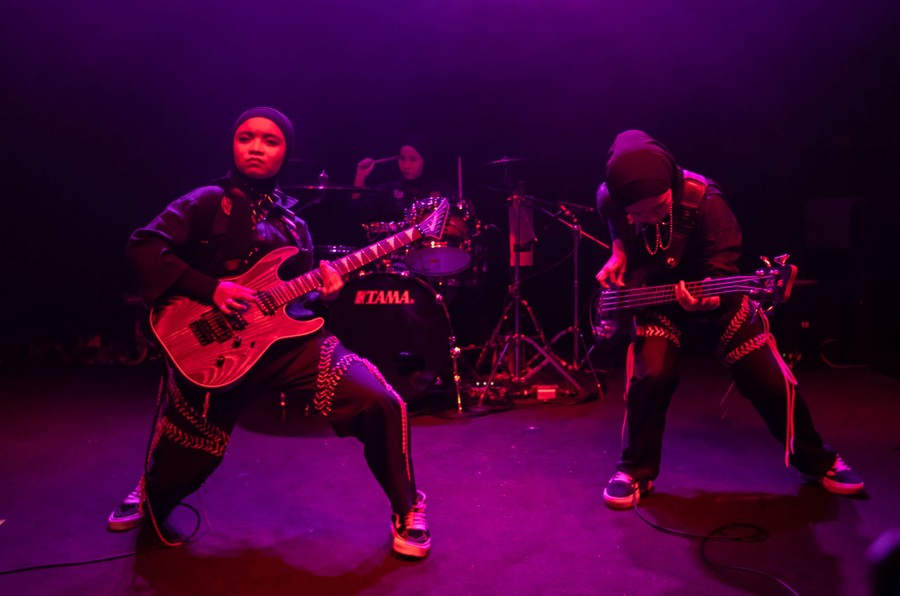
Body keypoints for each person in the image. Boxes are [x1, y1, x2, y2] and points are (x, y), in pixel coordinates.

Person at [107, 107, 431, 559]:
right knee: (180, 467)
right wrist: (212, 288)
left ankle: (407, 507)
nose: (256, 147)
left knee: (382, 400)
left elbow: (299, 304)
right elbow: (144, 246)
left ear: (285, 152)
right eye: (246, 137)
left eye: (270, 140)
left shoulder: (293, 223)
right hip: (212, 350)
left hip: (286, 346)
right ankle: (149, 487)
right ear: (234, 145)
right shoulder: (204, 201)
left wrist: (329, 293)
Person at [594, 129, 864, 509]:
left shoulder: (704, 200)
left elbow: (721, 271)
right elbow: (611, 215)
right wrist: (619, 250)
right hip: (657, 297)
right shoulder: (611, 196)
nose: (646, 218)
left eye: (657, 208)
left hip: (714, 295)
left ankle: (817, 460)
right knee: (652, 375)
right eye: (636, 214)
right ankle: (635, 471)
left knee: (768, 378)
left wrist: (707, 300)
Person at [352, 134, 456, 224]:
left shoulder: (441, 190)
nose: (405, 165)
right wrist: (360, 176)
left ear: (425, 161)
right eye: (402, 159)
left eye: (413, 160)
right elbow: (358, 212)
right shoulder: (388, 189)